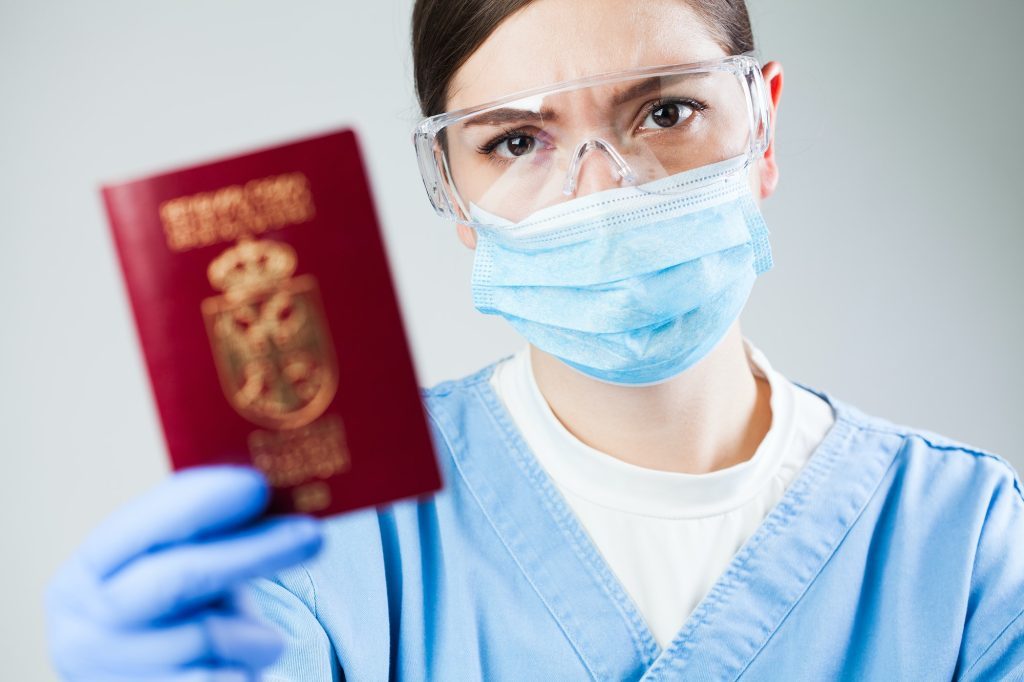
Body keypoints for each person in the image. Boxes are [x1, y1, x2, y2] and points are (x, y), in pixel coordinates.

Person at [45, 0, 1024, 679]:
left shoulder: (965, 541)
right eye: (516, 139)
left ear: (761, 124)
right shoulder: (335, 533)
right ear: (453, 189)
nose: (603, 187)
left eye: (666, 111)